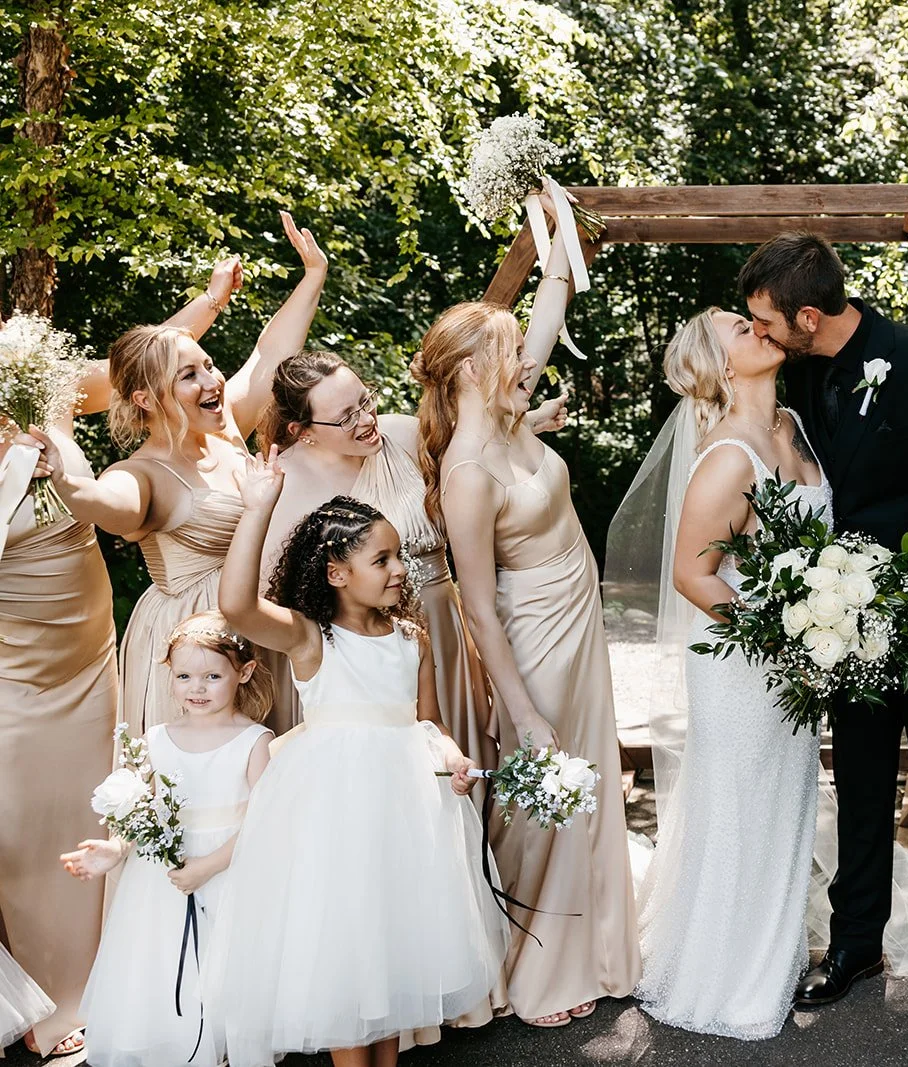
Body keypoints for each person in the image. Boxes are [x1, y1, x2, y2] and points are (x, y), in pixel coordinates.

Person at [742, 233, 908, 1045]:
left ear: (808, 315)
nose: (759, 334)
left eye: (765, 321)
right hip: (841, 625)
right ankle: (855, 942)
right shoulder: (807, 371)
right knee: (857, 786)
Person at [1, 270, 240, 1060]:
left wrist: (206, 307)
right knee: (20, 823)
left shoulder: (35, 384)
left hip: (89, 645)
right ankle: (36, 1001)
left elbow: (133, 379)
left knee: (91, 804)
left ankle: (96, 983)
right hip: (13, 658)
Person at [413, 195, 640, 1028]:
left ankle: (599, 939)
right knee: (542, 793)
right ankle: (530, 957)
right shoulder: (469, 467)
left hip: (578, 618)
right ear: (474, 370)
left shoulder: (508, 415)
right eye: (512, 358)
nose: (527, 366)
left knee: (588, 779)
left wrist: (554, 215)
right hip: (534, 634)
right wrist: (520, 709)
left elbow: (551, 297)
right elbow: (477, 606)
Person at [209, 459, 505, 1067]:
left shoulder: (410, 636)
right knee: (349, 944)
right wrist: (258, 506)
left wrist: (451, 757)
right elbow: (236, 606)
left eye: (399, 556)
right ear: (337, 573)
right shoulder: (313, 638)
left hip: (403, 807)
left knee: (391, 942)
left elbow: (425, 722)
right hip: (336, 808)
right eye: (383, 560)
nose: (401, 570)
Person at [35, 212, 327, 735]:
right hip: (199, 647)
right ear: (146, 397)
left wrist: (312, 277)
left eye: (208, 365)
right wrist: (64, 481)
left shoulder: (227, 427)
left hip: (267, 625)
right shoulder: (142, 473)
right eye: (188, 375)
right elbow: (109, 503)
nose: (212, 379)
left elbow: (269, 356)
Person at [622, 308, 830, 1038]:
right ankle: (725, 972)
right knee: (740, 810)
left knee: (785, 801)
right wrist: (785, 640)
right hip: (748, 664)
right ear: (721, 365)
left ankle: (770, 949)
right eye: (740, 327)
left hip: (800, 661)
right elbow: (692, 574)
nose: (759, 327)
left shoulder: (793, 425)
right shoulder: (729, 457)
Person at [250, 348, 567, 757]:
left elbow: (476, 450)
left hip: (444, 628)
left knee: (458, 762)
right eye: (346, 417)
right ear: (302, 430)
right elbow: (270, 600)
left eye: (366, 401)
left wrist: (532, 421)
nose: (366, 421)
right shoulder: (283, 485)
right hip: (362, 662)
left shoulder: (403, 435)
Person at [62, 611, 274, 1067]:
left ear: (245, 672)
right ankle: (173, 1044)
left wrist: (209, 866)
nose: (196, 688)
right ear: (170, 676)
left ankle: (219, 1047)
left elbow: (265, 823)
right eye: (184, 676)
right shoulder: (156, 739)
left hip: (227, 871)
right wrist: (114, 850)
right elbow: (142, 815)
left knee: (222, 966)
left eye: (212, 676)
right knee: (158, 962)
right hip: (163, 879)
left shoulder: (254, 741)